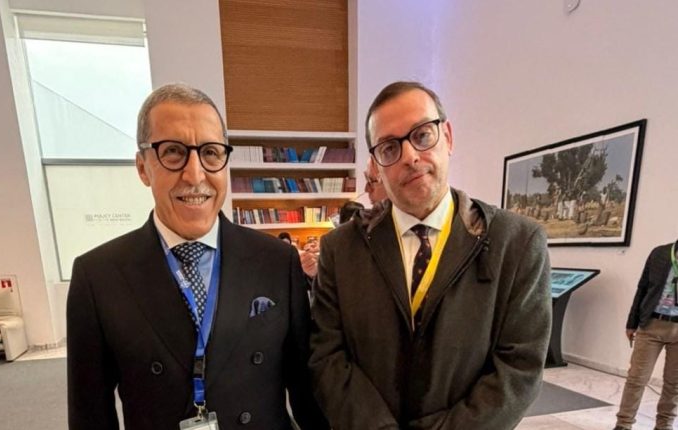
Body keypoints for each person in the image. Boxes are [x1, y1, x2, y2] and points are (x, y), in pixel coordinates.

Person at [67, 83, 327, 430]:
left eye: (211, 152)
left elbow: (307, 393)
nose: (195, 175)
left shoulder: (278, 261)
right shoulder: (97, 277)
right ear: (142, 167)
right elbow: (90, 415)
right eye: (173, 152)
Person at [309, 81, 552, 429]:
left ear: (447, 137)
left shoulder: (517, 243)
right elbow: (327, 357)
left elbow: (519, 370)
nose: (410, 156)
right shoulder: (340, 250)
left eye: (422, 135)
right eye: (389, 147)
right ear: (377, 165)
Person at [614, 240, 678, 430]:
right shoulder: (660, 253)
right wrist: (631, 323)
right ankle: (624, 423)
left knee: (674, 383)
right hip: (651, 325)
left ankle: (664, 424)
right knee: (636, 378)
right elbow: (642, 288)